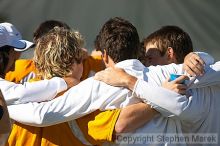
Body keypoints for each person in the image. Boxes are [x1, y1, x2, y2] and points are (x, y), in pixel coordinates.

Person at [7, 18, 220, 146]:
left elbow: (41, 114)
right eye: (83, 59)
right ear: (137, 48)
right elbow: (121, 125)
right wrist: (164, 96)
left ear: (105, 55)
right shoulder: (164, 74)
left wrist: (5, 106)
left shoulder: (14, 85)